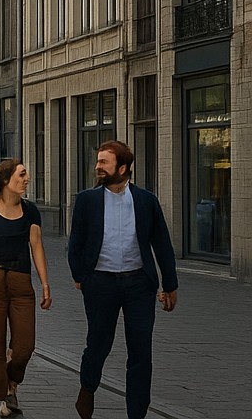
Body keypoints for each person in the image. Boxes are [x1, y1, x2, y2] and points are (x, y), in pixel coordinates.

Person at [67, 140, 178, 419]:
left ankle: (136, 413)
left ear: (123, 168)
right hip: (100, 284)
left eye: (104, 162)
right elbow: (76, 243)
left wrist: (170, 284)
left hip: (139, 284)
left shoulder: (145, 201)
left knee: (141, 352)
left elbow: (162, 243)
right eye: (98, 162)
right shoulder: (87, 200)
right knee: (98, 344)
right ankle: (88, 386)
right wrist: (81, 276)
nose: (98, 167)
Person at [0, 159, 52, 418]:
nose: (26, 179)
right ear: (6, 180)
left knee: (24, 346)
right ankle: (7, 394)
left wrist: (45, 283)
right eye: (22, 175)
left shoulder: (31, 211)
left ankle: (13, 379)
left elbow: (36, 245)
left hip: (20, 283)